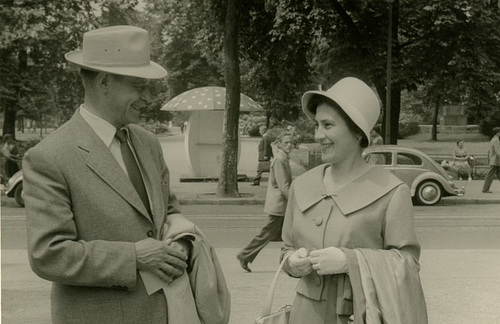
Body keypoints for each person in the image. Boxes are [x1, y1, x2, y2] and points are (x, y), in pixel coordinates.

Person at [23, 26, 229, 324]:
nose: (149, 98)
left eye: (150, 87)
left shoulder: (146, 143)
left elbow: (168, 212)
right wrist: (134, 257)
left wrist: (181, 244)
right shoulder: (49, 156)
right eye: (138, 87)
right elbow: (49, 255)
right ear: (104, 81)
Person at [280, 77, 427, 323]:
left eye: (328, 125)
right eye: (317, 125)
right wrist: (291, 263)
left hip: (359, 315)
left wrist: (349, 261)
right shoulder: (301, 185)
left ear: (358, 133)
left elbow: (407, 264)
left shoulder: (391, 191)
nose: (318, 135)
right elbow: (286, 248)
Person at [237, 132, 294, 272]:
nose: (289, 145)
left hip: (281, 205)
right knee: (268, 233)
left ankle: (290, 260)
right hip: (279, 206)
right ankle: (244, 255)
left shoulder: (283, 158)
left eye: (291, 143)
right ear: (279, 144)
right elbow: (283, 186)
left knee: (288, 234)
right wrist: (295, 200)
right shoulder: (280, 160)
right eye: (286, 142)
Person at [482, 126, 500, 193]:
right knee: (490, 175)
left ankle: (485, 188)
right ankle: (485, 189)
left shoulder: (493, 139)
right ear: (497, 133)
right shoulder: (496, 140)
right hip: (495, 161)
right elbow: (498, 151)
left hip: (495, 160)